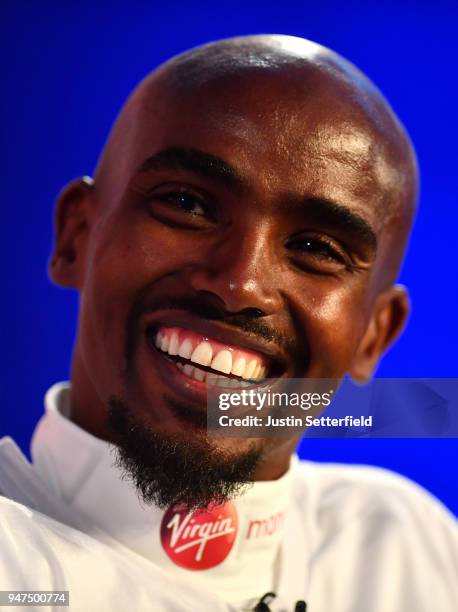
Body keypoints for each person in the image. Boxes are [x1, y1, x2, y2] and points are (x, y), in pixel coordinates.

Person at [0, 34, 456, 612]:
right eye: (188, 204)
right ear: (76, 238)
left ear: (375, 334)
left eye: (316, 247)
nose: (239, 283)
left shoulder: (405, 552)